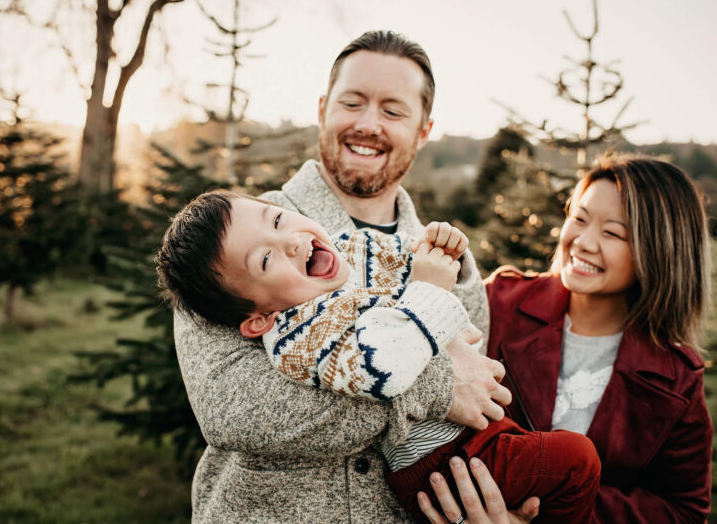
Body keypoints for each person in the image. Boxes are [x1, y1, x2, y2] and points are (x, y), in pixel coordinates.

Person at [172, 30, 518, 522]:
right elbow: (240, 411)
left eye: (393, 111)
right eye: (352, 103)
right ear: (322, 108)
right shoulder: (228, 244)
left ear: (423, 130)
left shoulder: (447, 260)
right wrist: (433, 388)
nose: (368, 125)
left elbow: (471, 404)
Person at [158, 190, 601, 523]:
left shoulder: (344, 253)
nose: (290, 242)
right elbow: (383, 365)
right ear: (257, 319)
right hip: (438, 460)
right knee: (577, 461)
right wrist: (427, 291)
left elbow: (416, 271)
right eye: (266, 260)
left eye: (278, 220)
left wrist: (438, 251)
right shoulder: (298, 334)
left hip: (468, 441)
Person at [422, 155, 713, 524]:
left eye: (613, 232)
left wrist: (551, 511)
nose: (584, 242)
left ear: (659, 250)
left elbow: (683, 511)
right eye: (579, 218)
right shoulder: (499, 302)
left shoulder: (677, 378)